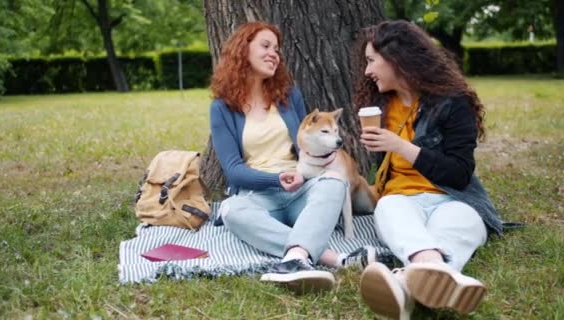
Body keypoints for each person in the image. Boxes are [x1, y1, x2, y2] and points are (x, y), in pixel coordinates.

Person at [209, 21, 381, 293]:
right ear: (242, 50)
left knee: (335, 181)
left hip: (303, 188)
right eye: (265, 46)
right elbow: (233, 171)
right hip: (258, 197)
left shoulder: (289, 95)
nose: (274, 54)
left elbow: (305, 147)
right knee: (230, 210)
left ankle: (295, 258)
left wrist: (325, 160)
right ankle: (330, 258)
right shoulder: (222, 108)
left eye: (276, 49)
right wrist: (277, 180)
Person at [350, 20, 504, 318]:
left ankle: (405, 286)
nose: (367, 71)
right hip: (401, 200)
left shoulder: (453, 102)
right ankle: (435, 274)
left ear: (396, 58)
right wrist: (383, 148)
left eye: (371, 61)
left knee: (459, 225)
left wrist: (400, 145)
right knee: (389, 210)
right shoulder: (381, 104)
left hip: (454, 198)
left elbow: (459, 174)